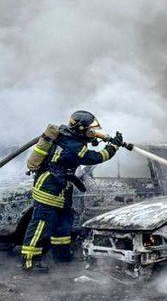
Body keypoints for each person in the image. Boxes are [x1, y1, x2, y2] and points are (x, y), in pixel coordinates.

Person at [20, 110, 126, 272]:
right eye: (89, 129)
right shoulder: (73, 145)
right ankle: (30, 261)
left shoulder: (70, 136)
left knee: (63, 222)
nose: (92, 131)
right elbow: (95, 157)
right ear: (81, 128)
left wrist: (103, 138)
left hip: (61, 187)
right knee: (41, 225)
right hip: (49, 188)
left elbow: (87, 141)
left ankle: (62, 254)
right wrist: (113, 147)